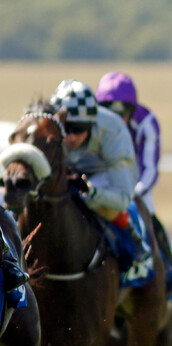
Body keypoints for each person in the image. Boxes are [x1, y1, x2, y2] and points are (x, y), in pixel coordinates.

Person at [95, 72, 172, 296]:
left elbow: (150, 169)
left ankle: (169, 272)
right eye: (109, 111)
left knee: (149, 218)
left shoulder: (147, 122)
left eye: (122, 113)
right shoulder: (92, 122)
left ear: (132, 110)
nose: (116, 119)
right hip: (104, 185)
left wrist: (133, 194)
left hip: (136, 188)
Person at [50, 79, 149, 269]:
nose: (70, 137)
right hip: (66, 171)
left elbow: (121, 199)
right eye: (66, 129)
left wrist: (92, 191)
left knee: (89, 199)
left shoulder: (114, 131)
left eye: (78, 129)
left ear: (91, 124)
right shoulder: (47, 126)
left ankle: (132, 238)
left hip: (103, 176)